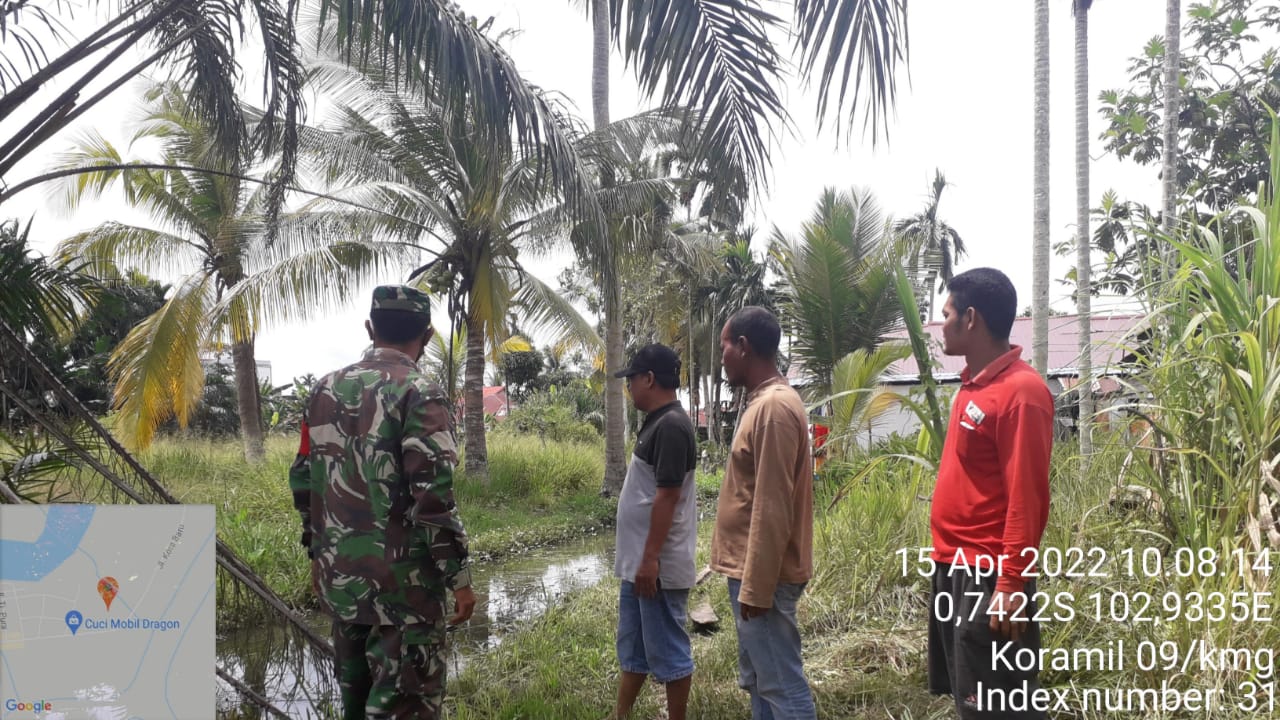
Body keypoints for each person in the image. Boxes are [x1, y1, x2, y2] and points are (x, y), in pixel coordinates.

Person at [288, 285, 476, 720]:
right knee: (405, 708)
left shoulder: (323, 392)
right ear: (427, 336)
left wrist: (318, 553)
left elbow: (303, 478)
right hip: (405, 596)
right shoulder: (420, 392)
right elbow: (433, 496)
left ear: (371, 328)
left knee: (356, 704)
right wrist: (459, 576)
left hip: (343, 585)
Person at [927, 268, 1054, 719]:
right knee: (972, 700)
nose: (941, 323)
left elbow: (1028, 497)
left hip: (988, 575)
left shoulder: (1022, 393)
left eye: (946, 314)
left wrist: (1010, 583)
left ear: (971, 318)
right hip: (955, 567)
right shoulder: (973, 383)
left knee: (999, 707)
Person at [711, 306, 816, 719]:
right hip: (753, 575)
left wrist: (756, 587)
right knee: (760, 681)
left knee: (781, 686)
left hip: (763, 580)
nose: (721, 356)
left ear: (743, 346)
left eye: (724, 345)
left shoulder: (773, 409)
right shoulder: (763, 403)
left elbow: (772, 506)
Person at [610, 344, 699, 720]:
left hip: (655, 567)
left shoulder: (673, 426)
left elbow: (667, 497)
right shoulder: (658, 421)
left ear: (648, 378)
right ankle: (620, 714)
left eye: (631, 379)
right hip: (640, 565)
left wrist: (650, 560)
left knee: (668, 651)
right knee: (634, 648)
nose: (629, 387)